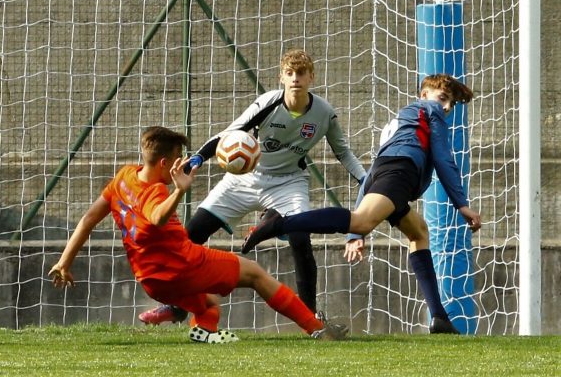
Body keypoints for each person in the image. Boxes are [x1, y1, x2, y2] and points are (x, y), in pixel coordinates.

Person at [48, 126, 348, 343]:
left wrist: (64, 262)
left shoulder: (124, 177)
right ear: (165, 162)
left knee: (209, 306)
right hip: (184, 265)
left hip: (151, 280)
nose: (182, 163)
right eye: (178, 157)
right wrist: (178, 190)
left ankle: (201, 333)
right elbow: (156, 216)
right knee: (256, 274)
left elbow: (88, 219)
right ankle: (317, 330)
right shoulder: (156, 192)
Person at [139, 49, 366, 325]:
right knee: (191, 234)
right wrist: (199, 157)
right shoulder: (268, 102)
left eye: (302, 73)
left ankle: (311, 317)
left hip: (288, 182)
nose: (296, 78)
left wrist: (364, 178)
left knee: (300, 239)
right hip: (244, 179)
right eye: (290, 73)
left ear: (312, 77)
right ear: (281, 76)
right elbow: (229, 134)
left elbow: (343, 152)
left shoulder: (324, 113)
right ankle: (176, 305)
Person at [242, 74, 482, 334]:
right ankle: (279, 224)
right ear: (424, 96)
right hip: (401, 173)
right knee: (362, 221)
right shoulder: (429, 110)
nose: (446, 107)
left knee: (418, 232)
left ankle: (439, 318)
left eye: (452, 104)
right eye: (443, 98)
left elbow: (373, 174)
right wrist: (462, 204)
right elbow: (443, 158)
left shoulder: (405, 118)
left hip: (388, 171)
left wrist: (356, 235)